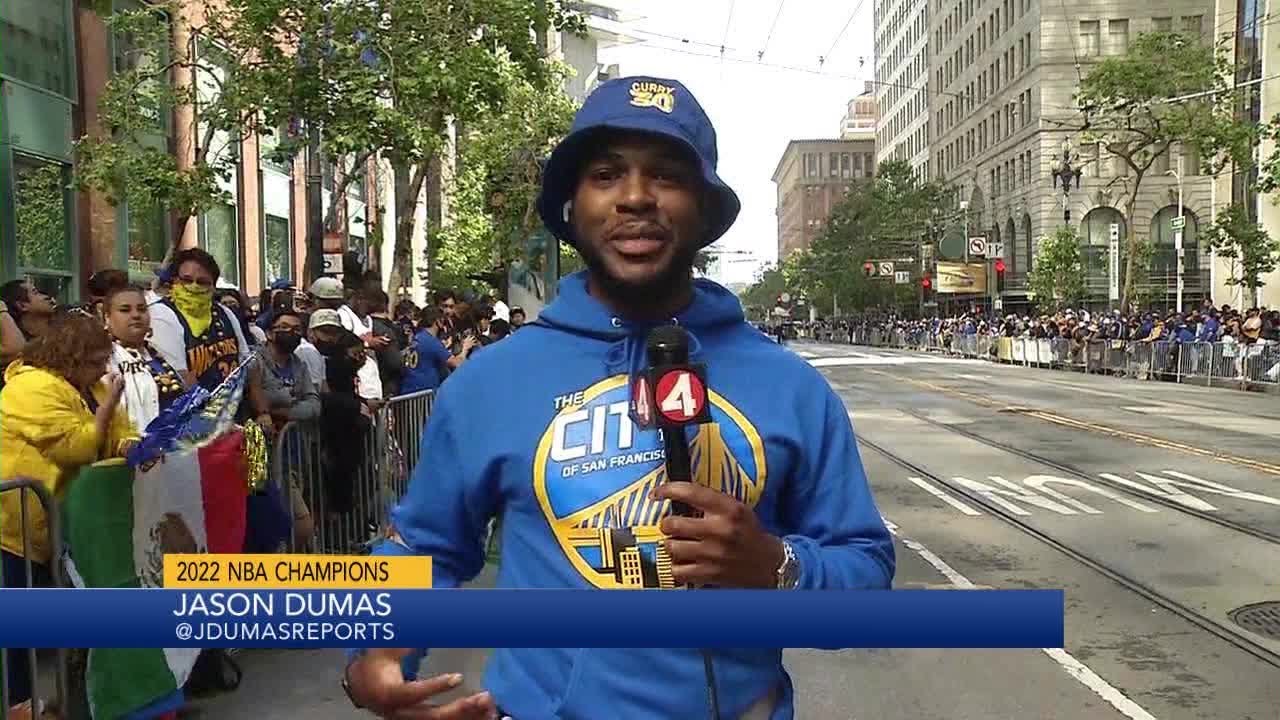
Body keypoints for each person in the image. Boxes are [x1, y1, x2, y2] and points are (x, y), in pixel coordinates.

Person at [343, 76, 894, 719]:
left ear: (706, 211)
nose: (636, 197)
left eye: (666, 176)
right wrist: (372, 661)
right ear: (572, 208)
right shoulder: (490, 383)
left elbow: (865, 579)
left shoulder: (793, 388)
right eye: (606, 175)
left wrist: (777, 566)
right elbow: (422, 551)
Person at [1, 313, 137, 708]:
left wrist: (128, 443)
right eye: (95, 361)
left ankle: (71, 703)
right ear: (69, 356)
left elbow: (119, 431)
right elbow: (76, 449)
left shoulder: (88, 384)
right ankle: (23, 708)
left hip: (64, 529)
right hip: (16, 529)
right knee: (18, 637)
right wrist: (108, 407)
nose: (102, 370)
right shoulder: (29, 389)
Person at [148, 248, 251, 392]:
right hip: (194, 409)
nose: (194, 286)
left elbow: (247, 365)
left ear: (213, 287)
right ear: (174, 281)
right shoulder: (161, 314)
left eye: (202, 282)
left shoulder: (225, 313)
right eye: (187, 280)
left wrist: (262, 412)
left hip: (236, 405)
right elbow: (181, 378)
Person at [104, 284, 186, 433]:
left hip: (179, 450)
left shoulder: (156, 352)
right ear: (107, 317)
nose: (136, 315)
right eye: (125, 310)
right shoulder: (105, 359)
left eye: (142, 309)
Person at [399, 307, 474, 396]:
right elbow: (456, 363)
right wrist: (465, 347)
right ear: (437, 321)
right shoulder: (431, 341)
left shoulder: (417, 338)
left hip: (409, 390)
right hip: (422, 393)